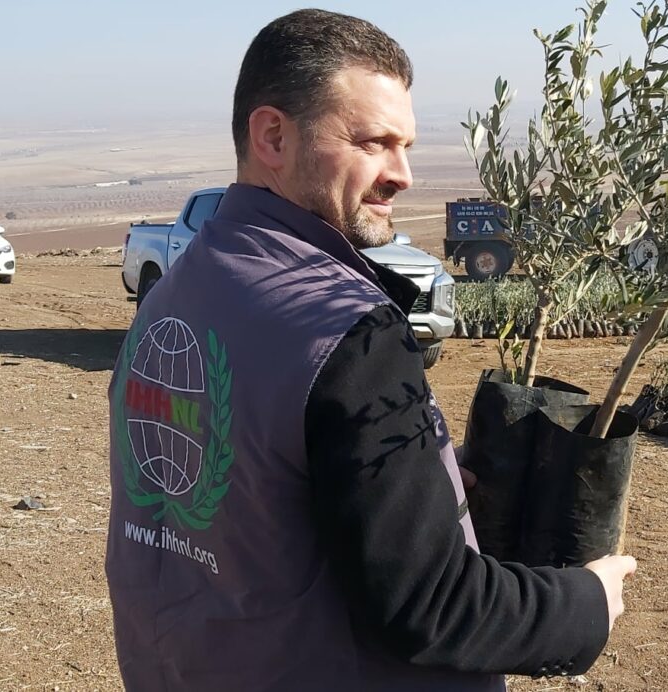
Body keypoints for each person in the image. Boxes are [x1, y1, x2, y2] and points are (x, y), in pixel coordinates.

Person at [104, 10, 635, 691]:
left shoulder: (176, 293)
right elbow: (432, 607)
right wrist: (586, 604)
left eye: (406, 145)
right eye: (374, 143)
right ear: (273, 135)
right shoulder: (344, 326)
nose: (403, 174)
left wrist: (418, 482)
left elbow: (242, 491)